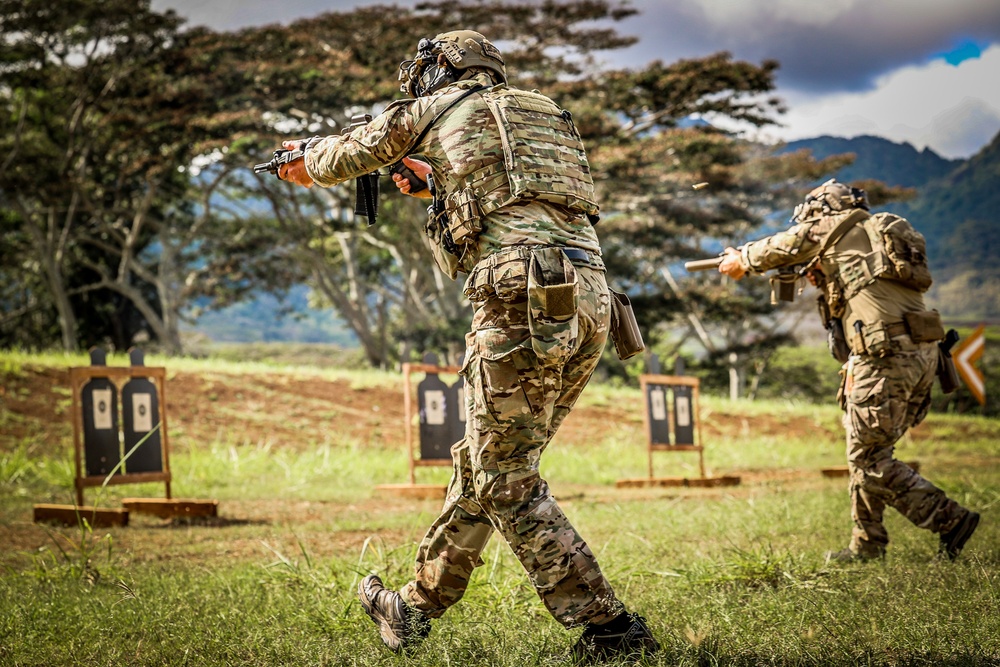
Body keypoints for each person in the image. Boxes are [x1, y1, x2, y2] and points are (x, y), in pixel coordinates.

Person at [274, 30, 658, 662]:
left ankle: (610, 629)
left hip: (522, 297)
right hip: (592, 300)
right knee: (484, 461)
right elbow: (512, 193)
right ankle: (413, 608)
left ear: (441, 70)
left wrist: (305, 159)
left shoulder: (436, 105)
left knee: (503, 474)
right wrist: (437, 189)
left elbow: (350, 152)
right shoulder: (542, 112)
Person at [718, 179, 980, 563]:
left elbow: (781, 246)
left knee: (869, 460)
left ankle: (949, 519)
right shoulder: (874, 237)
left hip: (884, 357)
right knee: (871, 452)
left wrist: (742, 258)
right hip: (924, 356)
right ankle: (866, 545)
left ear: (821, 212)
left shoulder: (832, 226)